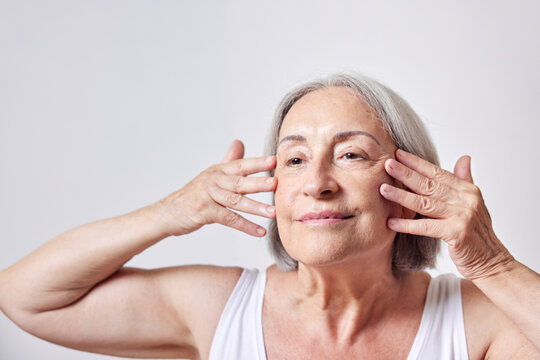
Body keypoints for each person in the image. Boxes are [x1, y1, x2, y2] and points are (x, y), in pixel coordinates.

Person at [0, 72, 538, 360]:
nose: (318, 183)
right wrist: (172, 211)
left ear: (410, 184)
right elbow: (25, 296)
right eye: (296, 158)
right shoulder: (218, 310)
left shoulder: (476, 321)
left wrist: (495, 268)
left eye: (350, 154)